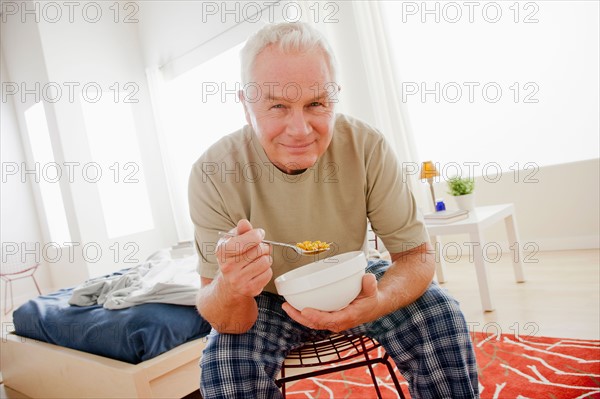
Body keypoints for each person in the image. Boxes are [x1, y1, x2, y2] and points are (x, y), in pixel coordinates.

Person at [188, 22, 478, 399]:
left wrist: (377, 302)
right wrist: (232, 286)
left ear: (335, 96)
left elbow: (416, 256)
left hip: (355, 278)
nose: (300, 129)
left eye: (316, 104)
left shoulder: (367, 146)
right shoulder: (212, 172)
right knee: (224, 365)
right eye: (277, 105)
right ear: (246, 106)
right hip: (268, 300)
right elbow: (225, 314)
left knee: (440, 314)